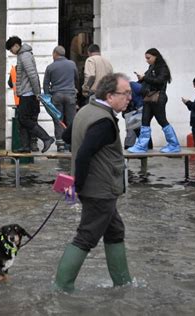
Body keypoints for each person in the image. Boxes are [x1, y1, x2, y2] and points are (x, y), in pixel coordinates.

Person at [56, 73, 133, 292]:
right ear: (110, 96)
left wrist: (73, 186)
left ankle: (123, 283)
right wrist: (77, 186)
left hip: (94, 187)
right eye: (125, 93)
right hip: (99, 190)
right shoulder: (103, 122)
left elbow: (67, 136)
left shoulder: (86, 111)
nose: (130, 97)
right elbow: (84, 154)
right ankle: (62, 287)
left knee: (115, 230)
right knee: (86, 236)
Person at [5, 36, 54, 153]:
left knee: (24, 119)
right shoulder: (22, 55)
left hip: (29, 94)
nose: (11, 52)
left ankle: (46, 138)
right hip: (25, 93)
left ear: (16, 45)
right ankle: (25, 146)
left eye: (11, 49)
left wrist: (37, 93)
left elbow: (32, 75)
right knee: (22, 120)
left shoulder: (25, 55)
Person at [128, 48, 181, 153]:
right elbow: (147, 80)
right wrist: (141, 78)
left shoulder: (162, 68)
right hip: (148, 97)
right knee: (145, 121)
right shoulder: (151, 67)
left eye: (148, 58)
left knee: (162, 120)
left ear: (155, 56)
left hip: (158, 97)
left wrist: (144, 77)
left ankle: (174, 144)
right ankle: (142, 146)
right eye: (146, 58)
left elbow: (159, 81)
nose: (147, 60)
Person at [43, 45, 79, 152]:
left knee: (58, 119)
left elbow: (45, 84)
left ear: (55, 54)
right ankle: (72, 143)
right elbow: (76, 78)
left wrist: (48, 95)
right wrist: (74, 89)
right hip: (70, 95)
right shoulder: (72, 64)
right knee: (71, 120)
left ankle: (60, 144)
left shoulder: (50, 67)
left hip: (57, 95)